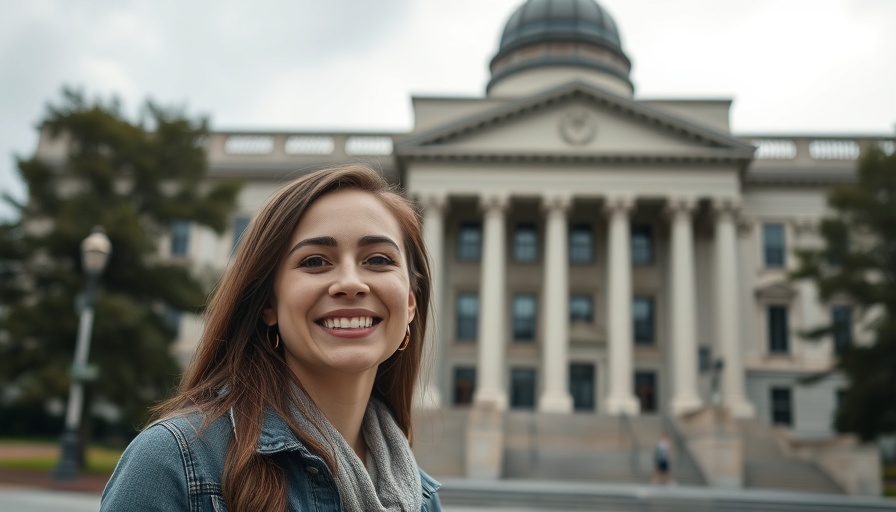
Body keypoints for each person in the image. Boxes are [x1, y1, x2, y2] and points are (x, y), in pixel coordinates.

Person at [101, 165, 441, 511]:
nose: (351, 283)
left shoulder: (421, 497)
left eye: (379, 259)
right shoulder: (175, 463)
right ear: (268, 304)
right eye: (315, 261)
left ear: (411, 303)